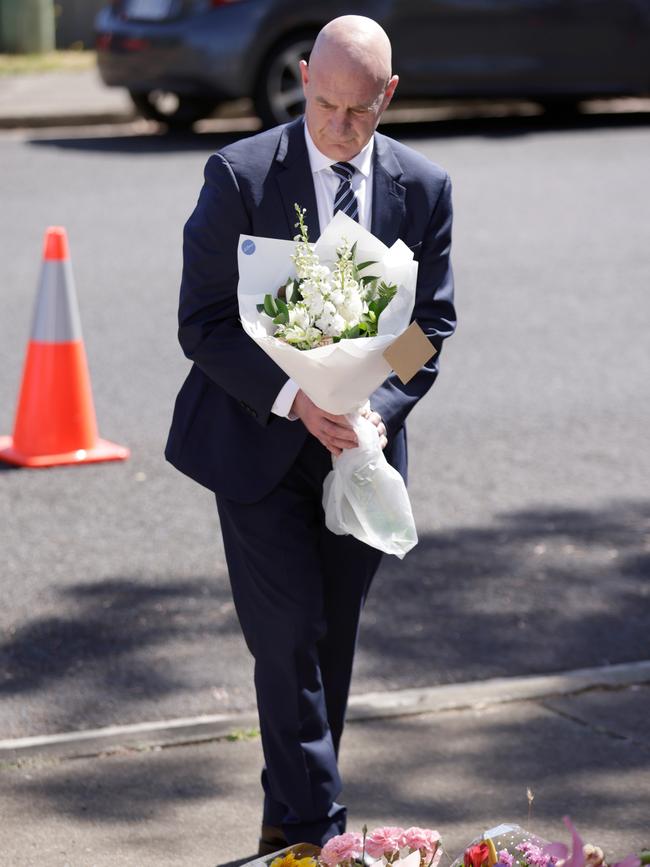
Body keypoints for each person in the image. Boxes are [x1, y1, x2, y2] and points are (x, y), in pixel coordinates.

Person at [165, 14, 456, 853]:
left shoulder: (424, 187)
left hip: (357, 452)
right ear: (301, 77)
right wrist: (297, 397)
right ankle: (321, 834)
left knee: (327, 645)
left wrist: (378, 407)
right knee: (287, 636)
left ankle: (287, 824)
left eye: (358, 111)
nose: (337, 126)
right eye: (323, 103)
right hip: (257, 440)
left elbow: (427, 326)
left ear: (389, 96)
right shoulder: (241, 174)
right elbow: (206, 321)